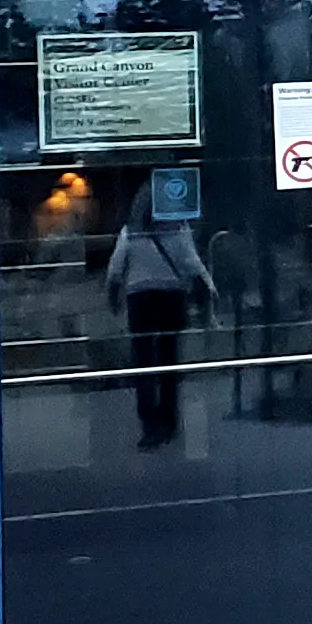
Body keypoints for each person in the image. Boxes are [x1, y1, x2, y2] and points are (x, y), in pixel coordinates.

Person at [105, 181, 216, 451]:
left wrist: (113, 298)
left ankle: (150, 424)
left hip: (139, 299)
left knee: (144, 363)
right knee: (169, 361)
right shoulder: (178, 229)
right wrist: (209, 289)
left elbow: (116, 269)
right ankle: (169, 420)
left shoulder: (130, 232)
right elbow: (191, 263)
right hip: (171, 297)